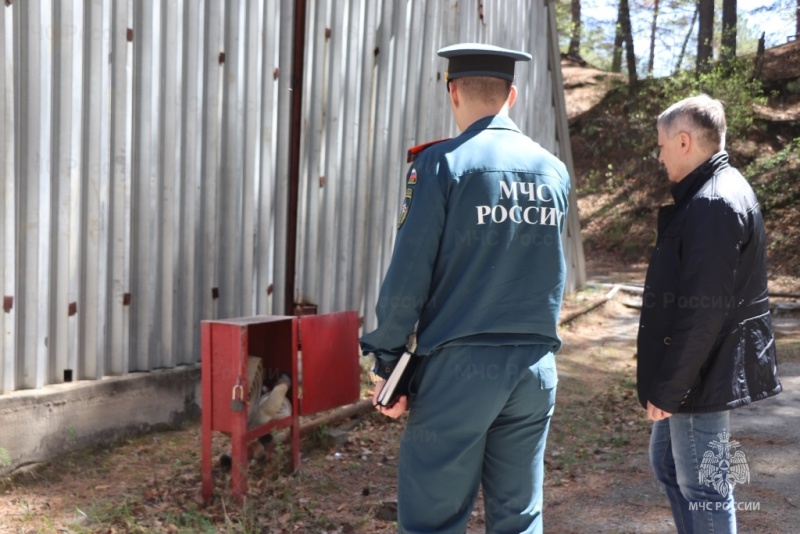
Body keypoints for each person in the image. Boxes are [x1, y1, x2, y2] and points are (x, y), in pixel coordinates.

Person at [360, 43, 571, 534]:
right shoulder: (553, 171)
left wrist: (387, 360)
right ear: (512, 96)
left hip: (460, 369)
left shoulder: (440, 165)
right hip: (535, 368)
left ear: (452, 92)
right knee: (519, 518)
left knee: (434, 517)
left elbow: (409, 274)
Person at [637, 94, 782, 533]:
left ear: (684, 141)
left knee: (706, 488)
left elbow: (704, 311)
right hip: (699, 370)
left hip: (702, 373)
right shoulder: (714, 190)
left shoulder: (713, 203)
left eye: (661, 145)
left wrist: (669, 389)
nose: (658, 155)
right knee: (666, 464)